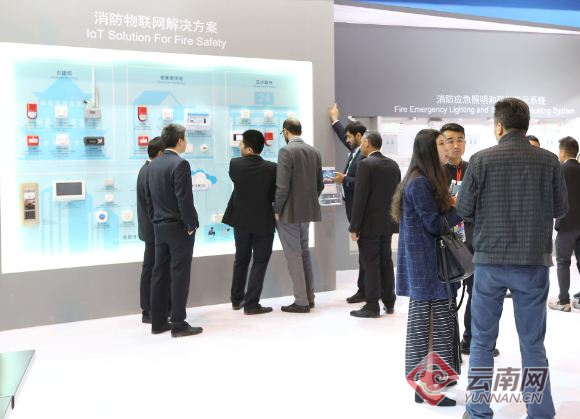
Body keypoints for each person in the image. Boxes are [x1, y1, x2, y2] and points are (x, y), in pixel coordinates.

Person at [457, 98, 568, 419]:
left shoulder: (480, 160)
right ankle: (540, 411)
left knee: (481, 342)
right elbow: (560, 209)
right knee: (533, 345)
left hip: (489, 262)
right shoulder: (549, 161)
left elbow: (463, 209)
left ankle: (478, 410)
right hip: (533, 262)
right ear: (526, 125)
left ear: (499, 127)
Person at [392, 128, 462, 407]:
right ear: (429, 150)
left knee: (432, 327)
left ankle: (427, 386)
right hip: (428, 268)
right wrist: (459, 210)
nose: (447, 147)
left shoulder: (421, 178)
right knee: (430, 329)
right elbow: (434, 224)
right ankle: (427, 388)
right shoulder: (420, 183)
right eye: (442, 143)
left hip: (429, 267)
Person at [441, 123, 500, 357]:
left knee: (477, 294)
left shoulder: (473, 168)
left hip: (475, 241)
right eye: (450, 140)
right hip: (447, 243)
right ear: (442, 144)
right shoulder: (435, 173)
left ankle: (471, 339)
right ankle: (448, 344)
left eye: (460, 140)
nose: (456, 145)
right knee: (448, 296)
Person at [146, 124, 202, 338]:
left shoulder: (153, 165)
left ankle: (158, 322)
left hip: (159, 227)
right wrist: (190, 225)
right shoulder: (180, 164)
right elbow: (184, 199)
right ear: (179, 141)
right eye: (185, 138)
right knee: (179, 275)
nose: (186, 142)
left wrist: (155, 220)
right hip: (178, 228)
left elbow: (149, 199)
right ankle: (178, 323)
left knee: (159, 274)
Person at [223, 129, 277, 315]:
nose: (239, 146)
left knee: (241, 259)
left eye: (241, 144)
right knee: (260, 261)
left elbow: (236, 180)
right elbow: (273, 195)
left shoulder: (235, 164)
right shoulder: (272, 168)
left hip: (240, 220)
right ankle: (252, 304)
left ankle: (237, 299)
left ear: (248, 149)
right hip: (263, 221)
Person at [348, 131, 400, 318]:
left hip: (369, 225)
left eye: (362, 142)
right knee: (386, 261)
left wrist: (354, 226)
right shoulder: (393, 165)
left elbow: (360, 198)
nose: (361, 145)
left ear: (367, 142)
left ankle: (371, 305)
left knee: (370, 263)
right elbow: (397, 195)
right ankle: (389, 300)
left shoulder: (365, 164)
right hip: (388, 223)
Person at [274, 118, 324, 313]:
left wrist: (277, 209)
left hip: (289, 213)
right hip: (307, 212)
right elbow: (319, 185)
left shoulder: (286, 151)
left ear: (286, 131)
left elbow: (282, 187)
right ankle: (309, 297)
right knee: (304, 253)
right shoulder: (314, 151)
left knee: (293, 256)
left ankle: (301, 301)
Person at [329, 103, 367, 304]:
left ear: (359, 137)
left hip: (360, 213)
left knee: (365, 254)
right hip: (353, 209)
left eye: (350, 137)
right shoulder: (356, 151)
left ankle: (365, 290)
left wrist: (344, 179)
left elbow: (361, 182)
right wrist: (335, 120)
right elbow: (346, 139)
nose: (347, 140)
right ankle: (368, 289)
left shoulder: (364, 155)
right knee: (365, 253)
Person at [549, 136, 580, 312]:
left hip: (566, 224)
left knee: (563, 262)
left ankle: (563, 301)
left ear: (562, 152)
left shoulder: (561, 170)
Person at [136, 137, 165, 324]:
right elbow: (152, 204)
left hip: (150, 229)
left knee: (151, 268)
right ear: (160, 153)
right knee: (152, 270)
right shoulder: (150, 172)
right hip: (154, 230)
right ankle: (149, 310)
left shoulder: (145, 169)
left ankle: (150, 309)